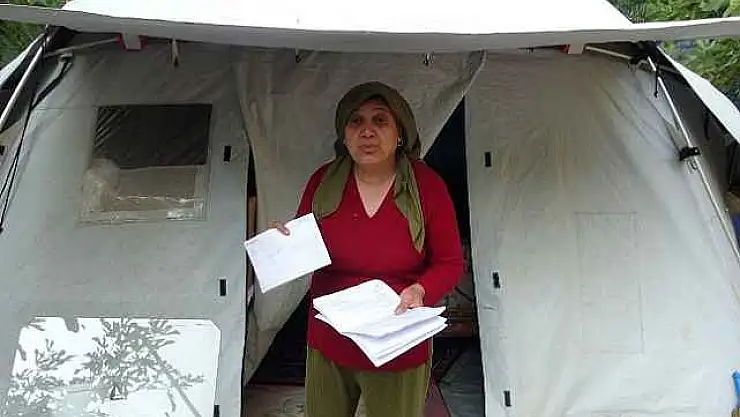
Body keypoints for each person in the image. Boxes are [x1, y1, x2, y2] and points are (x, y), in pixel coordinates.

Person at [269, 81, 464, 417]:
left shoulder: (427, 186)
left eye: (380, 120)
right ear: (344, 135)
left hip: (398, 340)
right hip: (331, 338)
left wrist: (421, 289)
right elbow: (302, 250)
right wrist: (280, 243)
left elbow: (449, 262)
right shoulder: (323, 181)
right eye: (356, 121)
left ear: (400, 132)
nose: (367, 131)